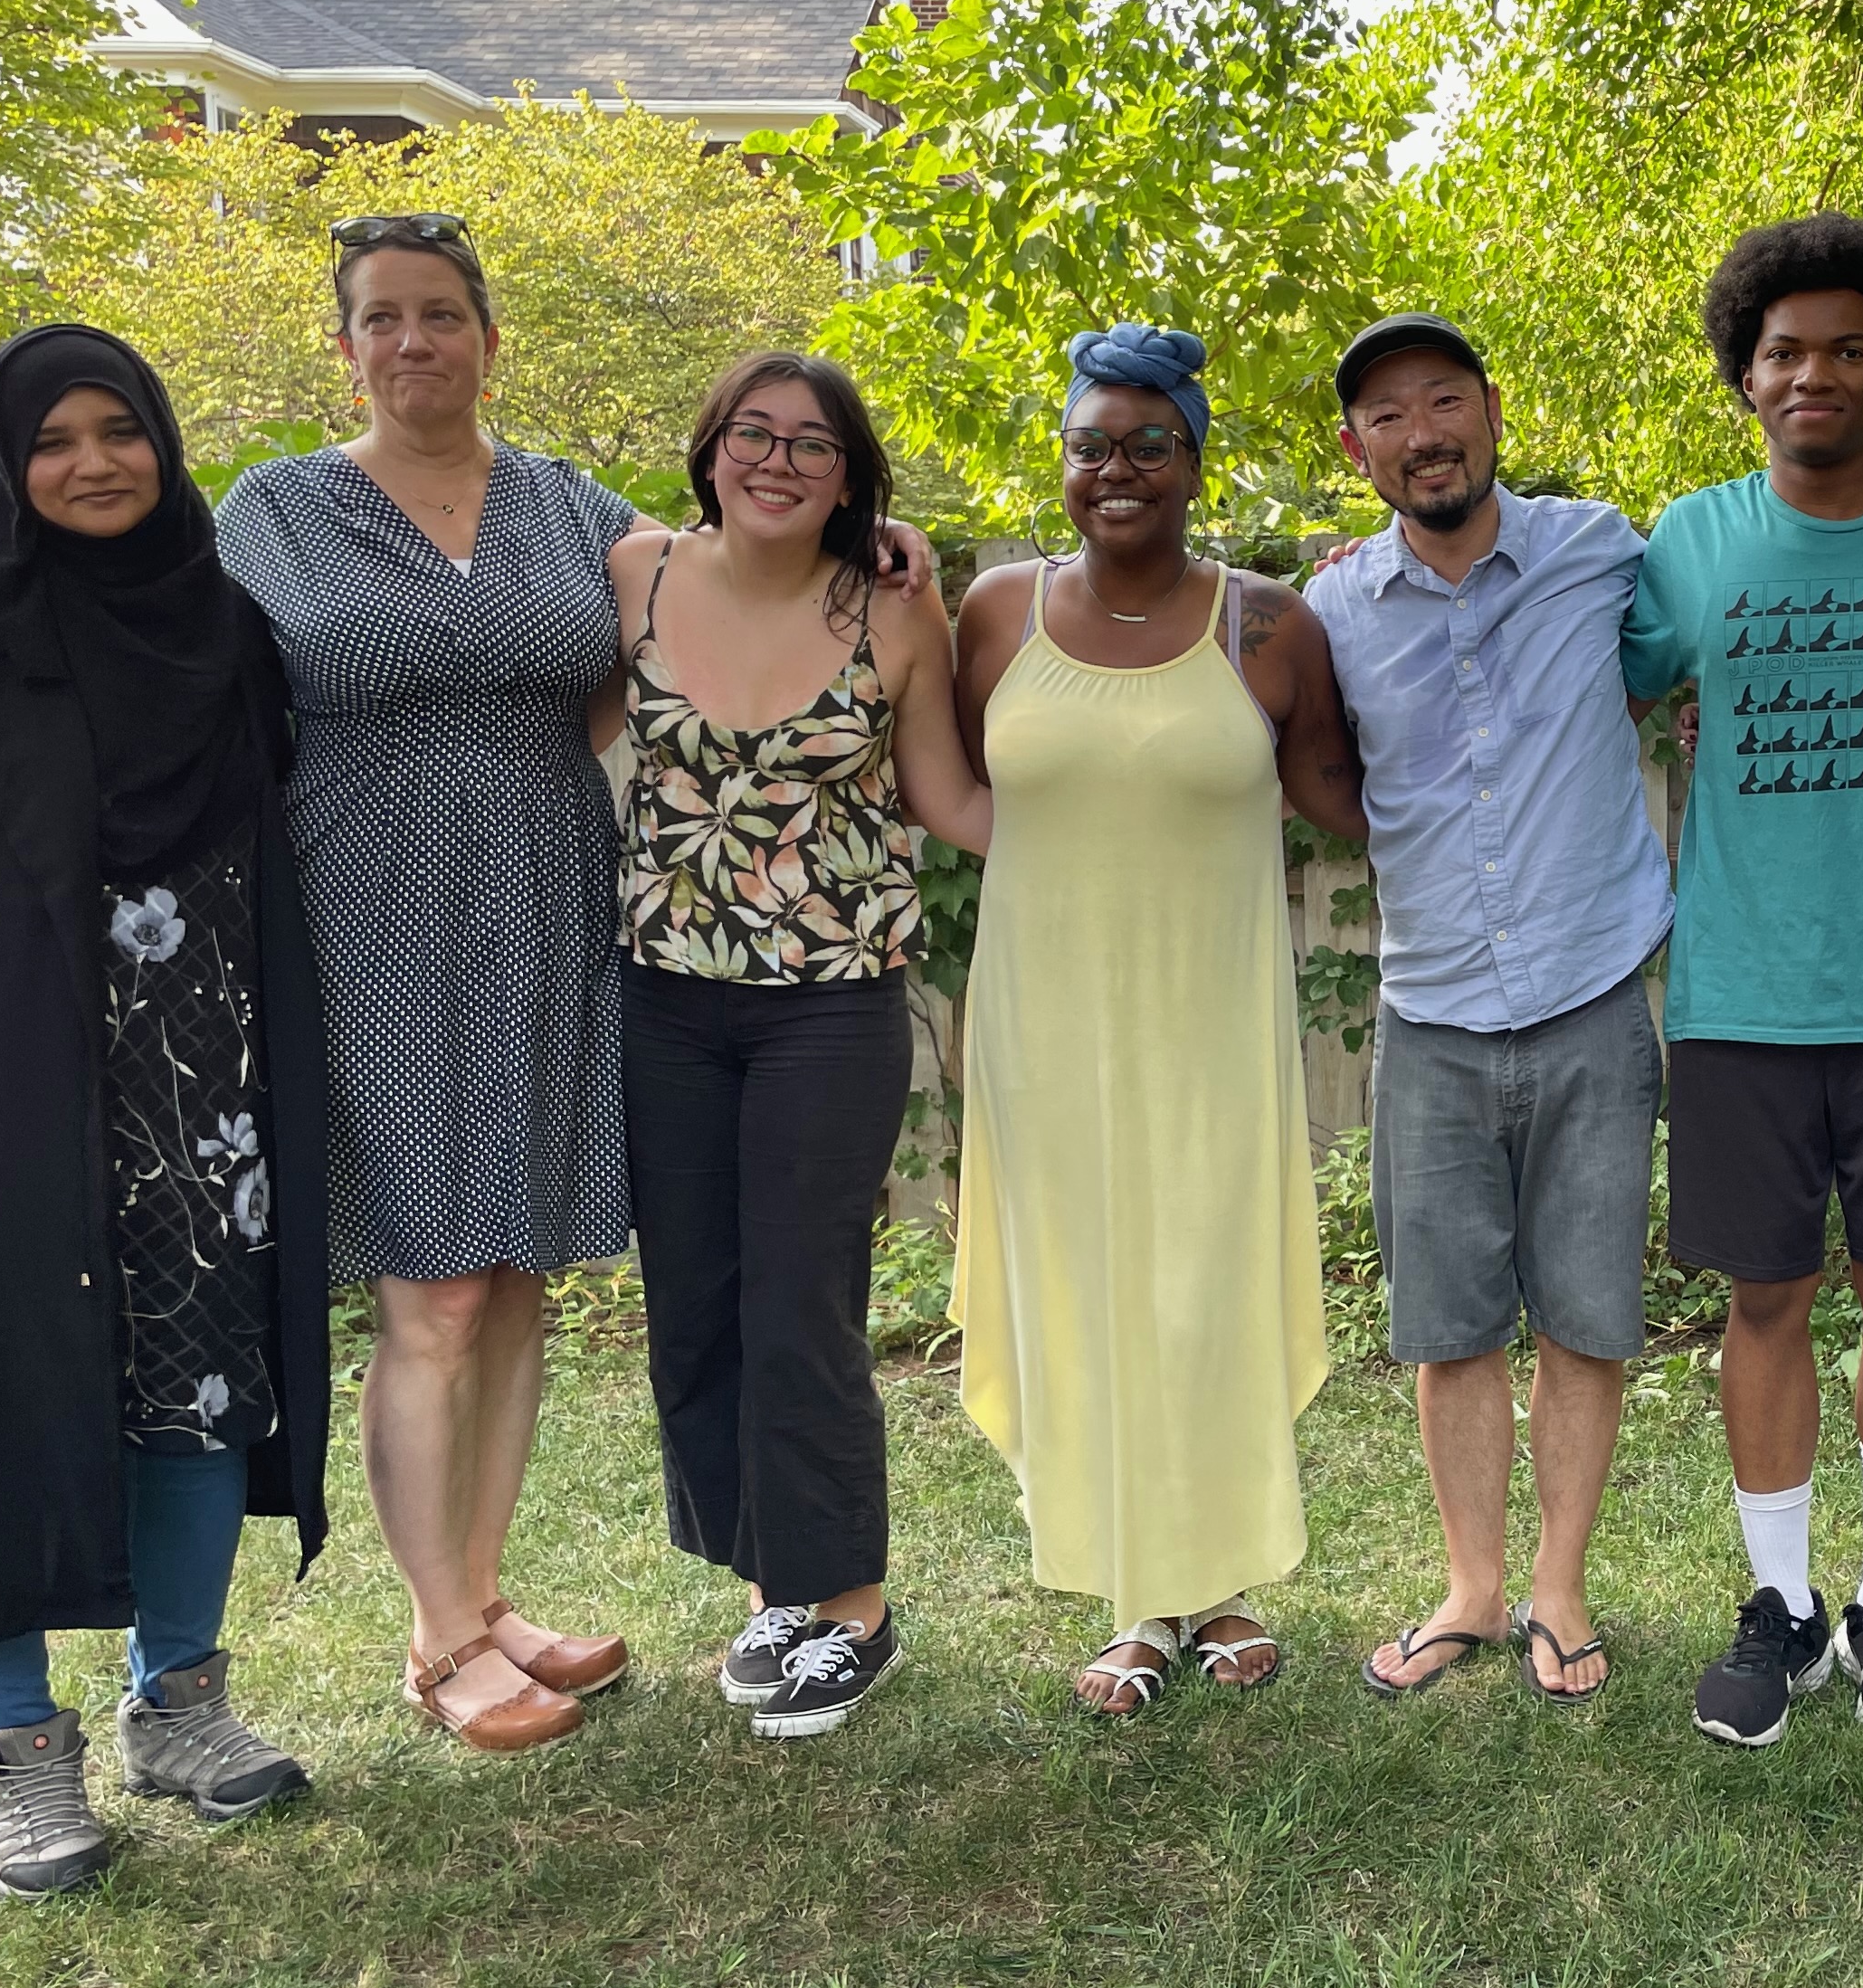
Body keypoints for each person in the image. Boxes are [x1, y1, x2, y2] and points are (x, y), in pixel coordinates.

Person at [219, 215, 929, 1753]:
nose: (415, 344)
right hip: (371, 913)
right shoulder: (273, 513)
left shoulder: (568, 511)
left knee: (521, 1273)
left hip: (557, 911)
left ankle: (487, 1598)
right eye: (382, 320)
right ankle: (437, 1639)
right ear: (343, 346)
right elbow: (194, 697)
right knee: (435, 1291)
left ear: (488, 337)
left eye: (443, 316)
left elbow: (733, 556)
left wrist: (879, 545)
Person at [0, 326, 330, 1895]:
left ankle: (179, 1704)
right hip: (0, 1110)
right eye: (54, 440)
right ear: (7, 464)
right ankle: (18, 1752)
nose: (95, 462)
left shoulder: (229, 633)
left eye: (122, 430)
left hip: (206, 1102)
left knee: (191, 1401)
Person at [1620, 214, 1863, 1746]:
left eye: (1848, 348)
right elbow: (1600, 673)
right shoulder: (1687, 540)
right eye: (1784, 351)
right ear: (1745, 376)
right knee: (1762, 1295)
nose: (1815, 373)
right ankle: (1777, 1603)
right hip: (1737, 993)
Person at [951, 324, 1367, 1715]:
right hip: (1046, 1017)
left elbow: (1340, 799)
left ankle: (1221, 1580)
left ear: (1195, 460)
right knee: (1086, 1291)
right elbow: (952, 787)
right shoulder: (996, 612)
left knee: (1202, 1286)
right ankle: (1137, 1599)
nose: (1116, 469)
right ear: (1060, 462)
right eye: (1090, 446)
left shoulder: (1268, 622)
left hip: (1209, 1019)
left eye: (1149, 444)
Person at [600, 354, 989, 1739]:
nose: (777, 460)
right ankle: (778, 1589)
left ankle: (855, 1609)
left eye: (812, 444)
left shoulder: (886, 608)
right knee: (697, 1302)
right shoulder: (631, 575)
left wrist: (1125, 831)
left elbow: (946, 794)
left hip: (829, 1005)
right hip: (662, 1001)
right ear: (707, 450)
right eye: (753, 435)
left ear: (850, 477)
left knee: (799, 1299)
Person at [1306, 314, 1672, 1706]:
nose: (1423, 433)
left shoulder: (1601, 550)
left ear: (1492, 410)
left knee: (1587, 1312)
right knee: (1447, 1323)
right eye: (1388, 416)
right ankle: (1470, 1586)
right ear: (1357, 452)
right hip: (1433, 1014)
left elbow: (1696, 638)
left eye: (1444, 400)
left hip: (1591, 995)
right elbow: (1313, 768)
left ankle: (1560, 1588)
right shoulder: (1332, 611)